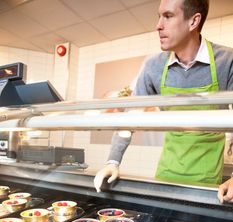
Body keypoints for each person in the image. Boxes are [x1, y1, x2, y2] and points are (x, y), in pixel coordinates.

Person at [94, 0, 233, 203]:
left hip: (207, 176)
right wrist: (113, 161)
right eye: (159, 16)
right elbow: (131, 117)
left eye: (168, 16)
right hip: (167, 171)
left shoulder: (227, 61)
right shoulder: (153, 66)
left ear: (193, 21)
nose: (158, 25)